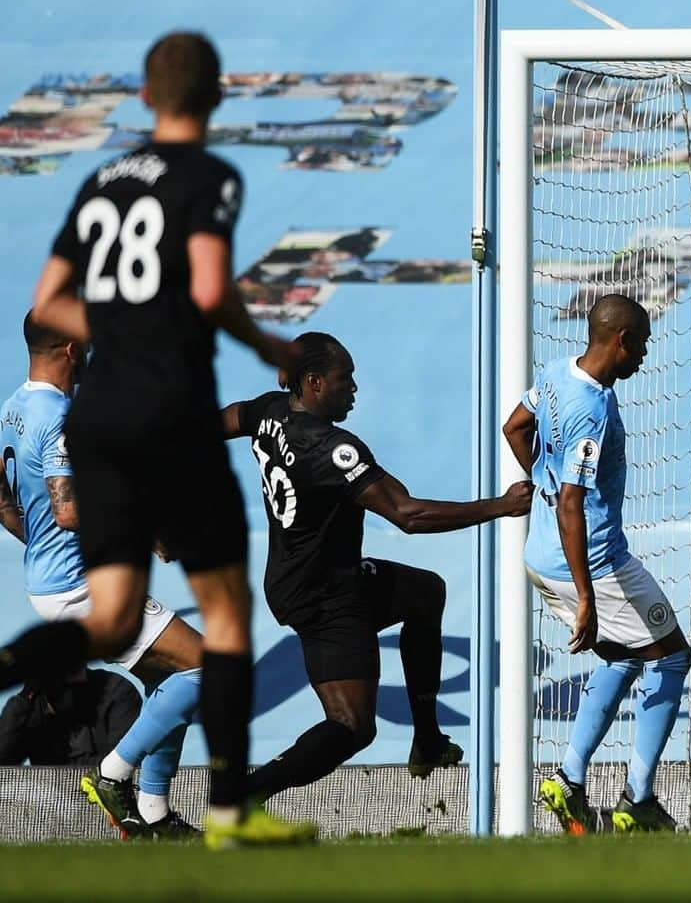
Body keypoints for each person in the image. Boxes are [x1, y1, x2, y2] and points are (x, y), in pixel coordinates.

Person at [0, 31, 314, 850]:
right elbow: (210, 290)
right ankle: (221, 809)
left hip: (103, 418)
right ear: (214, 98)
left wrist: (111, 321)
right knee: (224, 626)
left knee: (113, 622)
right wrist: (268, 348)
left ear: (143, 99)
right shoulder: (208, 176)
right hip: (163, 407)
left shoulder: (101, 180)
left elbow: (48, 299)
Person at [220, 332, 533, 802]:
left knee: (426, 591)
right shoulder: (331, 449)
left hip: (315, 574)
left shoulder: (271, 410)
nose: (354, 389)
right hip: (324, 593)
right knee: (351, 726)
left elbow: (219, 422)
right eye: (345, 379)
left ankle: (427, 739)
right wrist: (501, 506)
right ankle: (243, 795)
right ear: (314, 383)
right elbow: (408, 515)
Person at [0, 312, 204, 840]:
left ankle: (153, 811)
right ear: (73, 349)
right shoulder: (58, 415)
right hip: (82, 589)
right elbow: (70, 511)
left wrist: (40, 550)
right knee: (208, 668)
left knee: (169, 682)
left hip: (54, 584)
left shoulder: (15, 406)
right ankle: (112, 775)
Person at [502, 294, 691, 834]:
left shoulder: (557, 373)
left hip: (539, 558)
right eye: (644, 345)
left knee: (623, 658)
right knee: (672, 657)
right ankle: (637, 800)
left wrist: (540, 474)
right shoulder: (593, 409)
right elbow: (570, 503)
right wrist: (587, 595)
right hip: (596, 565)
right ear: (622, 342)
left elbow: (515, 427)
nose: (646, 357)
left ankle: (568, 779)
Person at [0, 668, 140, 769]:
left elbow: (124, 764)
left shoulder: (115, 692)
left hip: (108, 805)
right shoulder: (32, 706)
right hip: (54, 806)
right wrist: (24, 698)